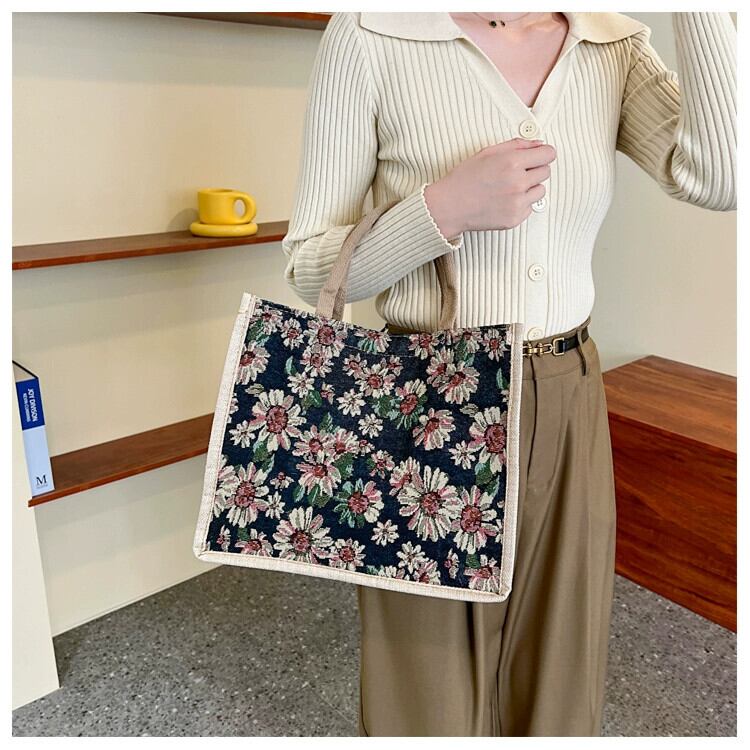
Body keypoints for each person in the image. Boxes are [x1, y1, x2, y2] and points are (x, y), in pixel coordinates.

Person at [280, 11, 736, 737]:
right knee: (423, 684)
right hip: (426, 397)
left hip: (567, 389)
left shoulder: (611, 44)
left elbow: (721, 177)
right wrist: (442, 209)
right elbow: (311, 268)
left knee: (560, 667)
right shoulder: (373, 34)